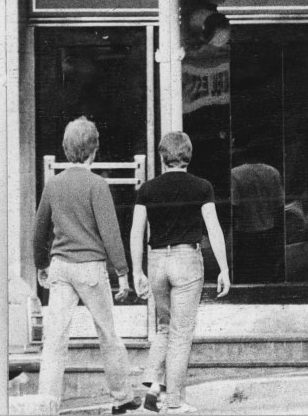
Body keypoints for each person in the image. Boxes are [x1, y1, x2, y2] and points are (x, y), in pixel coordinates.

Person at [33, 116, 141, 415]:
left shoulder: (53, 184)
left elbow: (39, 229)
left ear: (66, 149)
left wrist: (41, 263)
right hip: (91, 267)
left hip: (61, 267)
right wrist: (122, 272)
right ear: (94, 150)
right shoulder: (97, 185)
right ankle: (121, 396)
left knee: (55, 338)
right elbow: (110, 232)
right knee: (107, 332)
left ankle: (47, 402)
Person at [130, 131, 230, 414]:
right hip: (187, 259)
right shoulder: (202, 187)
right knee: (181, 333)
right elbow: (213, 228)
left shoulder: (147, 190)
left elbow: (137, 232)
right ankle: (174, 401)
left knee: (164, 327)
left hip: (157, 260)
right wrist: (223, 268)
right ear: (189, 155)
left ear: (162, 157)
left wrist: (137, 270)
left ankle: (152, 389)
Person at [230, 148, 285, 283]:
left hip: (245, 232)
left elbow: (234, 205)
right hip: (268, 230)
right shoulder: (273, 172)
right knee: (267, 272)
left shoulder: (235, 174)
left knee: (246, 275)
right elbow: (279, 205)